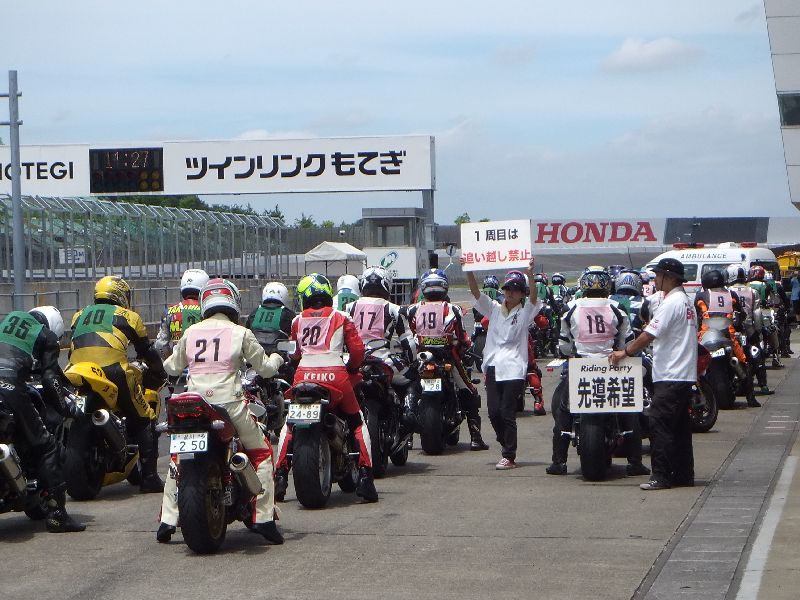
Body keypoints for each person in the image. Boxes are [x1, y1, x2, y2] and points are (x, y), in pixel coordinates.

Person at [159, 278, 285, 544]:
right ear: (233, 302)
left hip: (194, 402)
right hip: (229, 404)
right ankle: (263, 518)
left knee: (177, 457)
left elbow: (171, 367)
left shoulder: (192, 332)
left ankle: (167, 520)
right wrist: (277, 357)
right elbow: (265, 369)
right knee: (262, 453)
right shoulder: (240, 332)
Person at [274, 273, 379, 503]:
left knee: (289, 426)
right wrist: (352, 368)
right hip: (335, 376)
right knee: (357, 423)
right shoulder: (341, 316)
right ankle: (365, 477)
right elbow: (357, 351)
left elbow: (294, 354)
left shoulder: (297, 321)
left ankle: (280, 476)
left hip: (303, 376)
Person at [69, 276, 168, 493]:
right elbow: (146, 351)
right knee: (144, 418)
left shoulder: (78, 316)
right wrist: (160, 372)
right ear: (121, 295)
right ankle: (150, 478)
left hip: (77, 371)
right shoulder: (128, 316)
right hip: (112, 371)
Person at [547, 267, 648, 477]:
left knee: (564, 410)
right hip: (612, 364)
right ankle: (635, 462)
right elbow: (627, 340)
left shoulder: (571, 307)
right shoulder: (617, 307)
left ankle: (559, 462)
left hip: (581, 365)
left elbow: (564, 344)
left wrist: (570, 352)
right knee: (629, 409)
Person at [610, 257, 698, 491]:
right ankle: (683, 474)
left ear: (669, 277)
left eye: (658, 275)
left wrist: (625, 352)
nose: (655, 280)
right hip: (684, 373)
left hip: (670, 373)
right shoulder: (686, 302)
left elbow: (649, 334)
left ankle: (661, 476)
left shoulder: (671, 303)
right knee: (680, 428)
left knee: (660, 426)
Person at [0, 307, 85, 533]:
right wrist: (64, 408)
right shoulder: (45, 335)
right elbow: (49, 378)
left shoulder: (6, 323)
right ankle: (57, 515)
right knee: (46, 446)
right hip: (9, 387)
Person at [465, 259, 541, 470]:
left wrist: (530, 274)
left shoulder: (524, 313)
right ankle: (505, 441)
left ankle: (509, 455)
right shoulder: (495, 309)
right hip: (493, 365)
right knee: (493, 412)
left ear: (522, 293)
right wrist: (468, 270)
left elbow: (534, 299)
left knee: (507, 412)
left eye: (515, 290)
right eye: (508, 288)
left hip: (514, 368)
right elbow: (476, 293)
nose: (510, 293)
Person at [406, 268, 489, 451]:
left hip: (421, 358)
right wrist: (466, 347)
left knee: (409, 389)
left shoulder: (413, 309)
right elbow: (462, 336)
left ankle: (407, 436)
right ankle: (475, 437)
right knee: (469, 391)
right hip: (448, 357)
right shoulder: (453, 308)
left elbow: (410, 333)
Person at [694, 269, 760, 407]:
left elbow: (696, 317)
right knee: (743, 362)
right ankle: (751, 398)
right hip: (728, 335)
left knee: (695, 362)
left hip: (706, 335)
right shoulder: (731, 294)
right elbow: (741, 314)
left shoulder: (701, 295)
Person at [348, 266, 416, 390]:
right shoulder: (395, 309)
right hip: (383, 361)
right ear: (387, 285)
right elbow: (407, 342)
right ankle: (408, 403)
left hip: (354, 362)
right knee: (413, 379)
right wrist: (413, 363)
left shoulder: (349, 307)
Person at [154, 268, 209, 358]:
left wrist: (169, 361)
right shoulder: (207, 311)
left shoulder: (169, 312)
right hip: (204, 363)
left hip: (179, 363)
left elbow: (160, 345)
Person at [245, 281, 296, 351]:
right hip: (278, 351)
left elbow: (247, 330)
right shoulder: (288, 313)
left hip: (256, 350)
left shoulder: (255, 312)